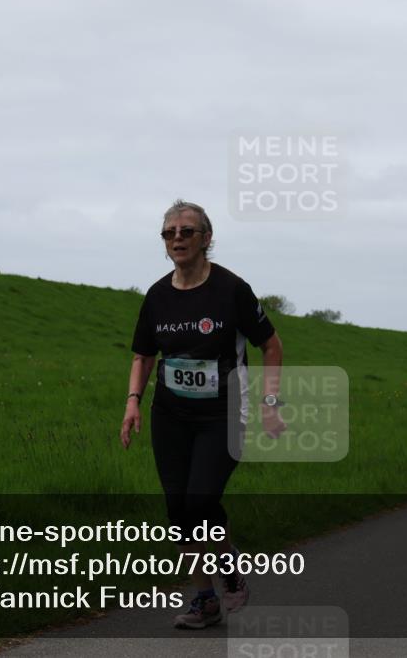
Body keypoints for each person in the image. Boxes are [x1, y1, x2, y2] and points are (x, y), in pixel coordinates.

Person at [121, 200, 285, 629]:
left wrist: (270, 403)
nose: (177, 238)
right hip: (170, 415)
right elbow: (143, 355)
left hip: (224, 414)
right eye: (169, 232)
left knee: (200, 500)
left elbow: (271, 345)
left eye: (186, 231)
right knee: (179, 511)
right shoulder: (157, 296)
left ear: (206, 238)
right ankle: (206, 599)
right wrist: (133, 401)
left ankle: (229, 574)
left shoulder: (231, 290)